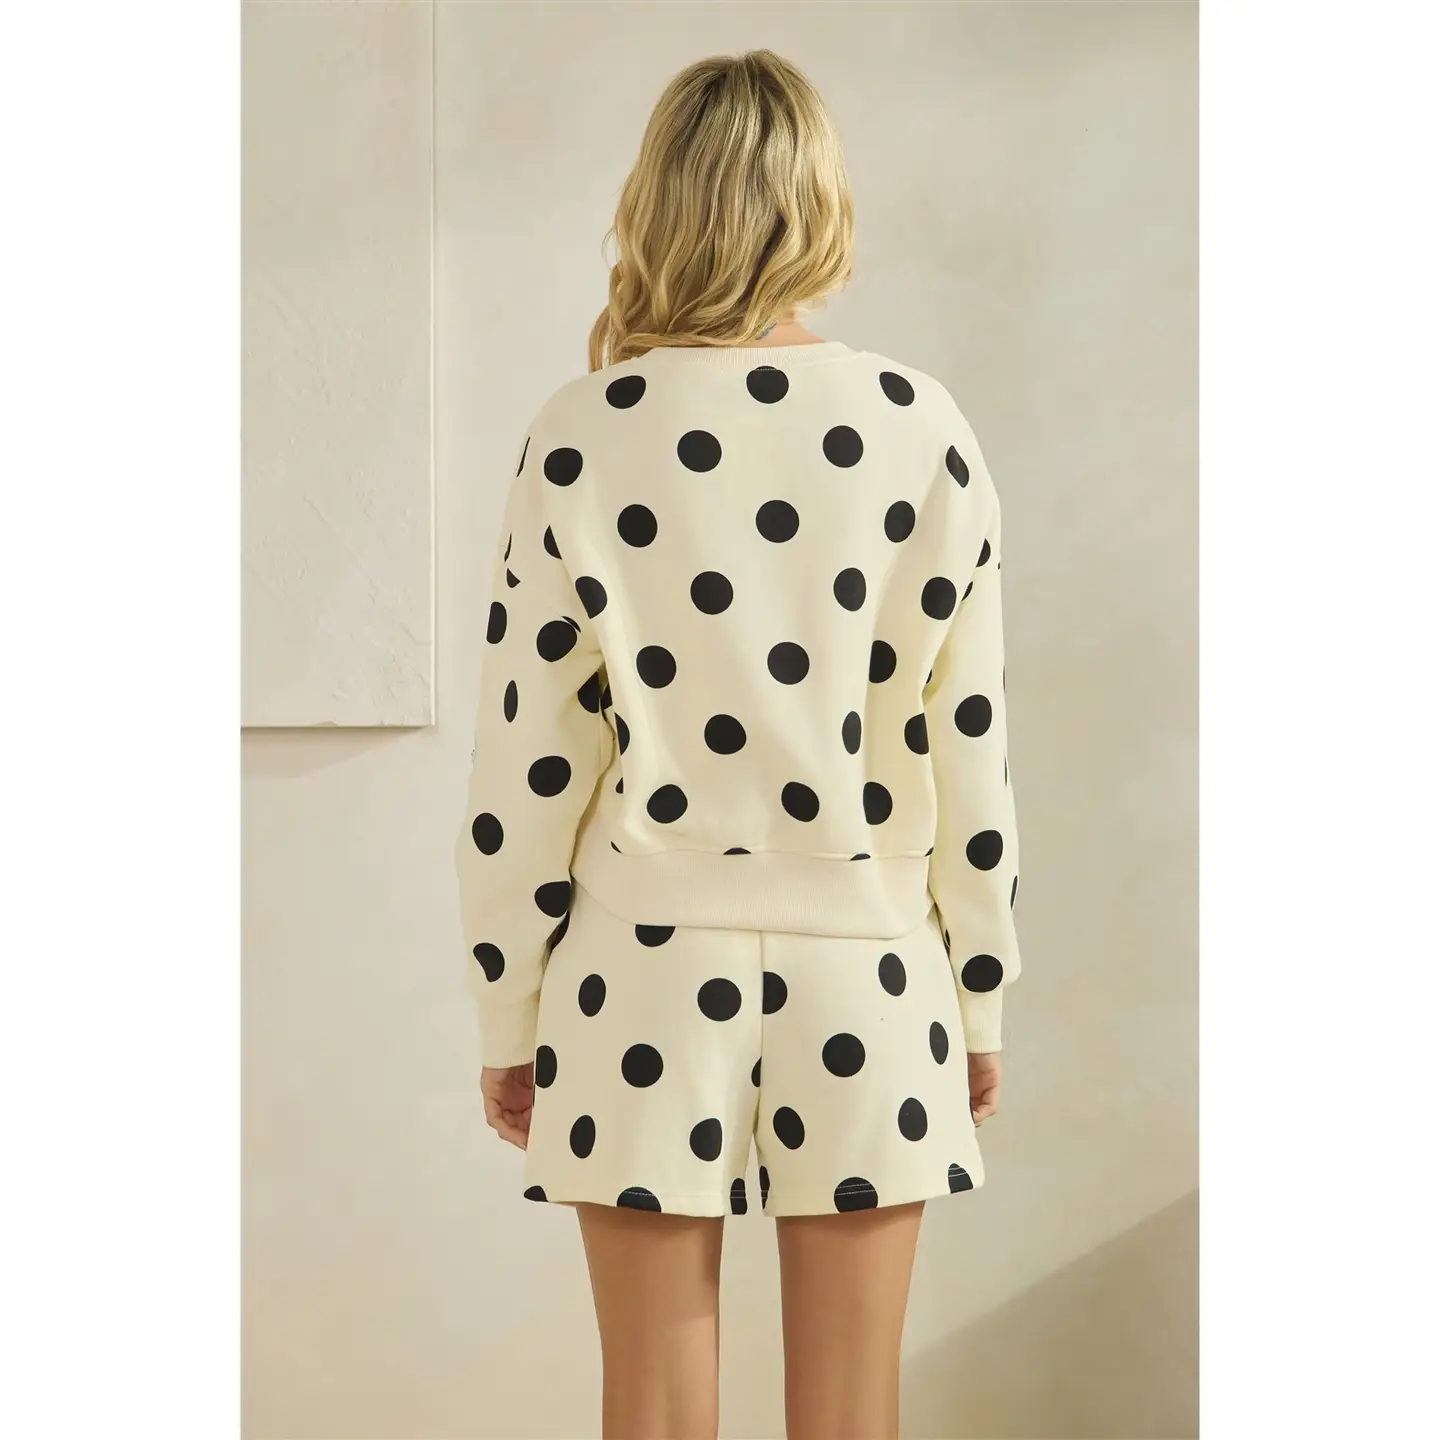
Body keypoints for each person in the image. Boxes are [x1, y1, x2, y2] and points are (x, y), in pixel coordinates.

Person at [454, 48, 1021, 1440]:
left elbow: (527, 766)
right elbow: (972, 751)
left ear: (655, 202)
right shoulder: (919, 426)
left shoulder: (582, 433)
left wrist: (510, 1012)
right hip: (872, 967)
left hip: (639, 970)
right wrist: (979, 994)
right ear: (817, 203)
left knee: (649, 1412)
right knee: (853, 1412)